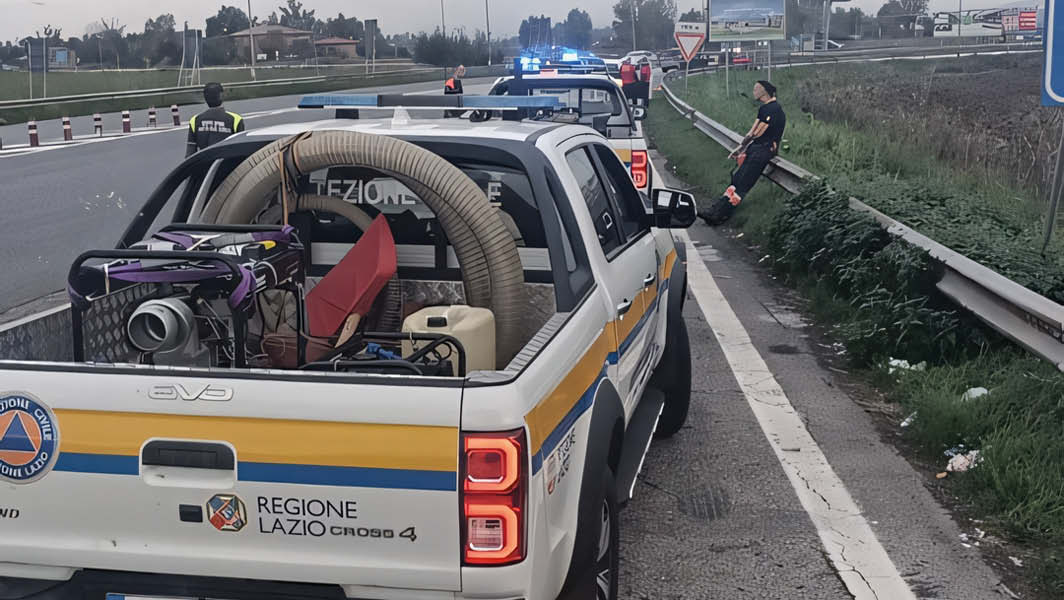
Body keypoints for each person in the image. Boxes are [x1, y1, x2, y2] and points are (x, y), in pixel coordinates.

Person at [700, 80, 786, 226]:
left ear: (764, 91)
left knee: (742, 185)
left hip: (763, 151)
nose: (754, 91)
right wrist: (742, 148)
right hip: (756, 149)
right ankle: (716, 210)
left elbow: (756, 133)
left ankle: (721, 215)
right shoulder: (765, 108)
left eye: (756, 88)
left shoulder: (773, 109)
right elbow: (753, 132)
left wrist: (742, 147)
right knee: (737, 181)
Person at [186, 82, 245, 157]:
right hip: (227, 164)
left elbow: (190, 154)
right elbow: (240, 150)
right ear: (221, 95)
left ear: (205, 98)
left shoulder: (195, 120)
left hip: (206, 166)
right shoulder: (236, 120)